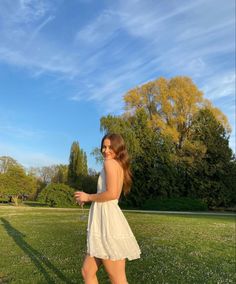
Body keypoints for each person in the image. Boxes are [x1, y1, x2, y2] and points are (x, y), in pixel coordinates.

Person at [75, 133, 141, 284]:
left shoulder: (110, 163)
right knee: (87, 272)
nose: (106, 150)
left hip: (108, 225)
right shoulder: (117, 165)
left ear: (119, 148)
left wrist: (88, 197)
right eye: (104, 147)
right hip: (103, 221)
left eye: (110, 147)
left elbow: (112, 194)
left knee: (117, 278)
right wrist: (89, 199)